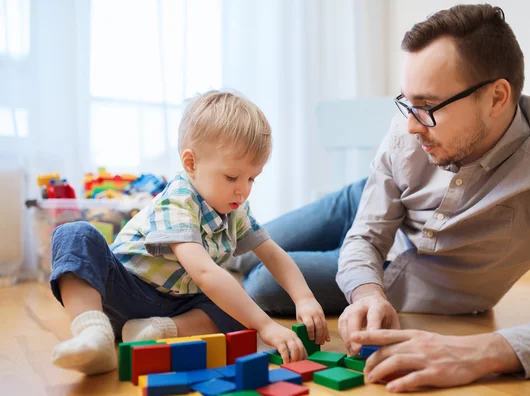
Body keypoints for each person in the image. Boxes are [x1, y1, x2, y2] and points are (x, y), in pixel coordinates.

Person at [232, 4, 530, 392]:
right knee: (236, 247)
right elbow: (366, 237)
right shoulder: (408, 131)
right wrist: (366, 291)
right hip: (363, 203)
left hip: (419, 278)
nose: (409, 125)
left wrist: (478, 352)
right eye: (408, 102)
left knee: (261, 284)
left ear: (496, 98)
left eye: (426, 106)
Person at [49, 91, 329, 375]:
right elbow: (205, 273)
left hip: (177, 304)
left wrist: (304, 298)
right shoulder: (177, 202)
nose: (243, 189)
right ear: (191, 163)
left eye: (251, 178)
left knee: (238, 306)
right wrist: (266, 325)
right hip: (124, 291)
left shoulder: (235, 209)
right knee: (75, 234)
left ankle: (155, 332)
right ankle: (93, 335)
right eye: (232, 177)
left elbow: (271, 252)